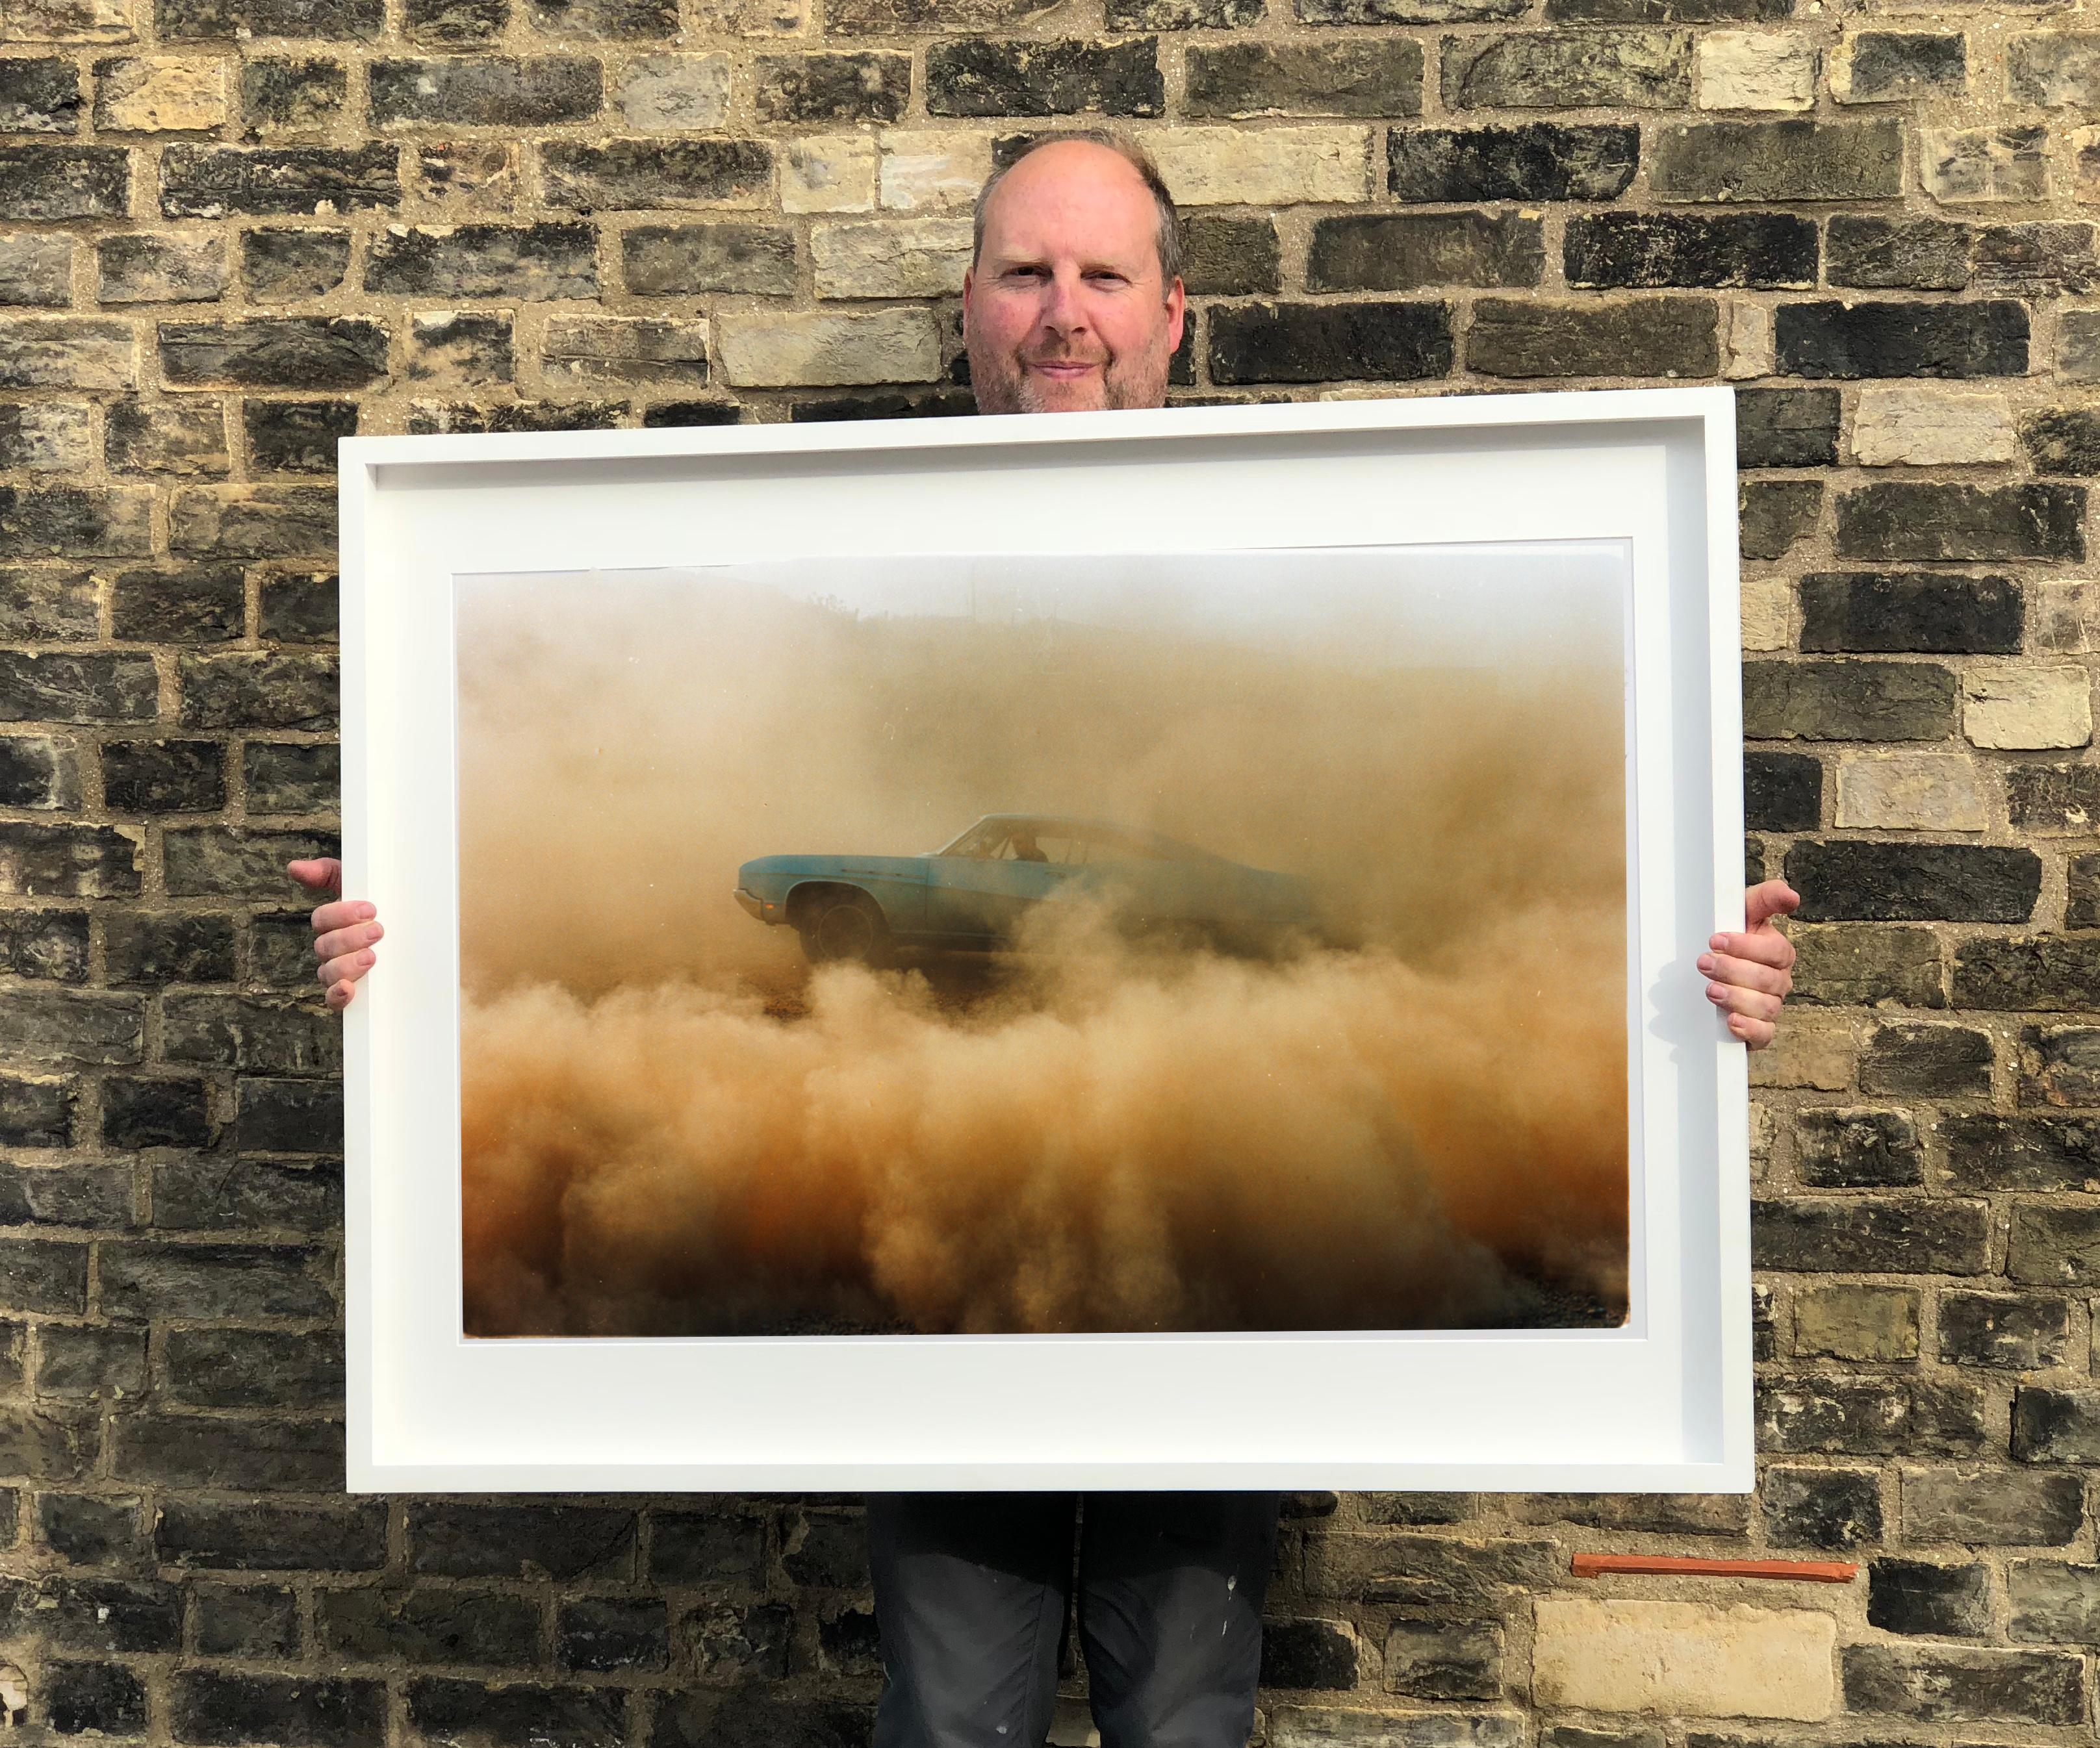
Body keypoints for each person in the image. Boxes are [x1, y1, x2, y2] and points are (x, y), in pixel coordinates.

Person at [292, 132, 1803, 1748]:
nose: (1061, 313)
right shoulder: (848, 543)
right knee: (948, 1713)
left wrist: (1684, 983)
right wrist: (405, 961)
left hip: (1213, 1279)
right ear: (966, 308)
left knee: (1180, 1712)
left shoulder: (1289, 551)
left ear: (1174, 313)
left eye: (1099, 276)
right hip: (948, 1327)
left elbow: (1494, 900)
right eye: (1024, 274)